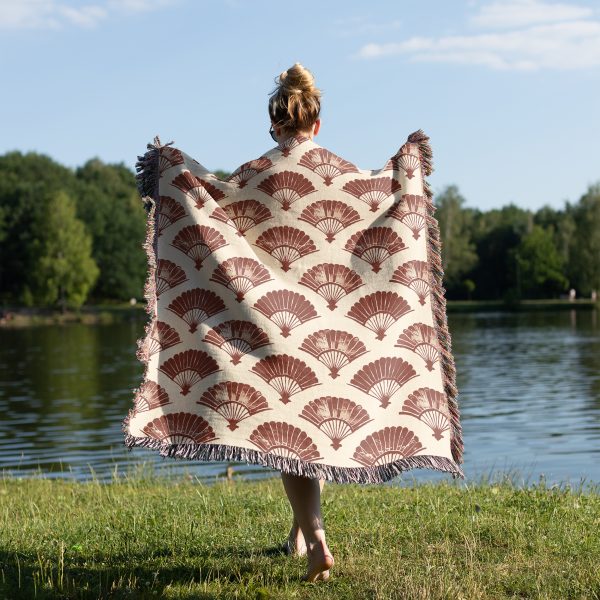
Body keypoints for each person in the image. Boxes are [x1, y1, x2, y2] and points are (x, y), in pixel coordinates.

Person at [267, 62, 333, 583]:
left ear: (275, 124)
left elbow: (213, 209)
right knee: (311, 432)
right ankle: (296, 536)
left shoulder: (257, 172)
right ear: (317, 123)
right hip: (332, 325)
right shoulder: (341, 174)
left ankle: (316, 542)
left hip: (273, 322)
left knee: (289, 436)